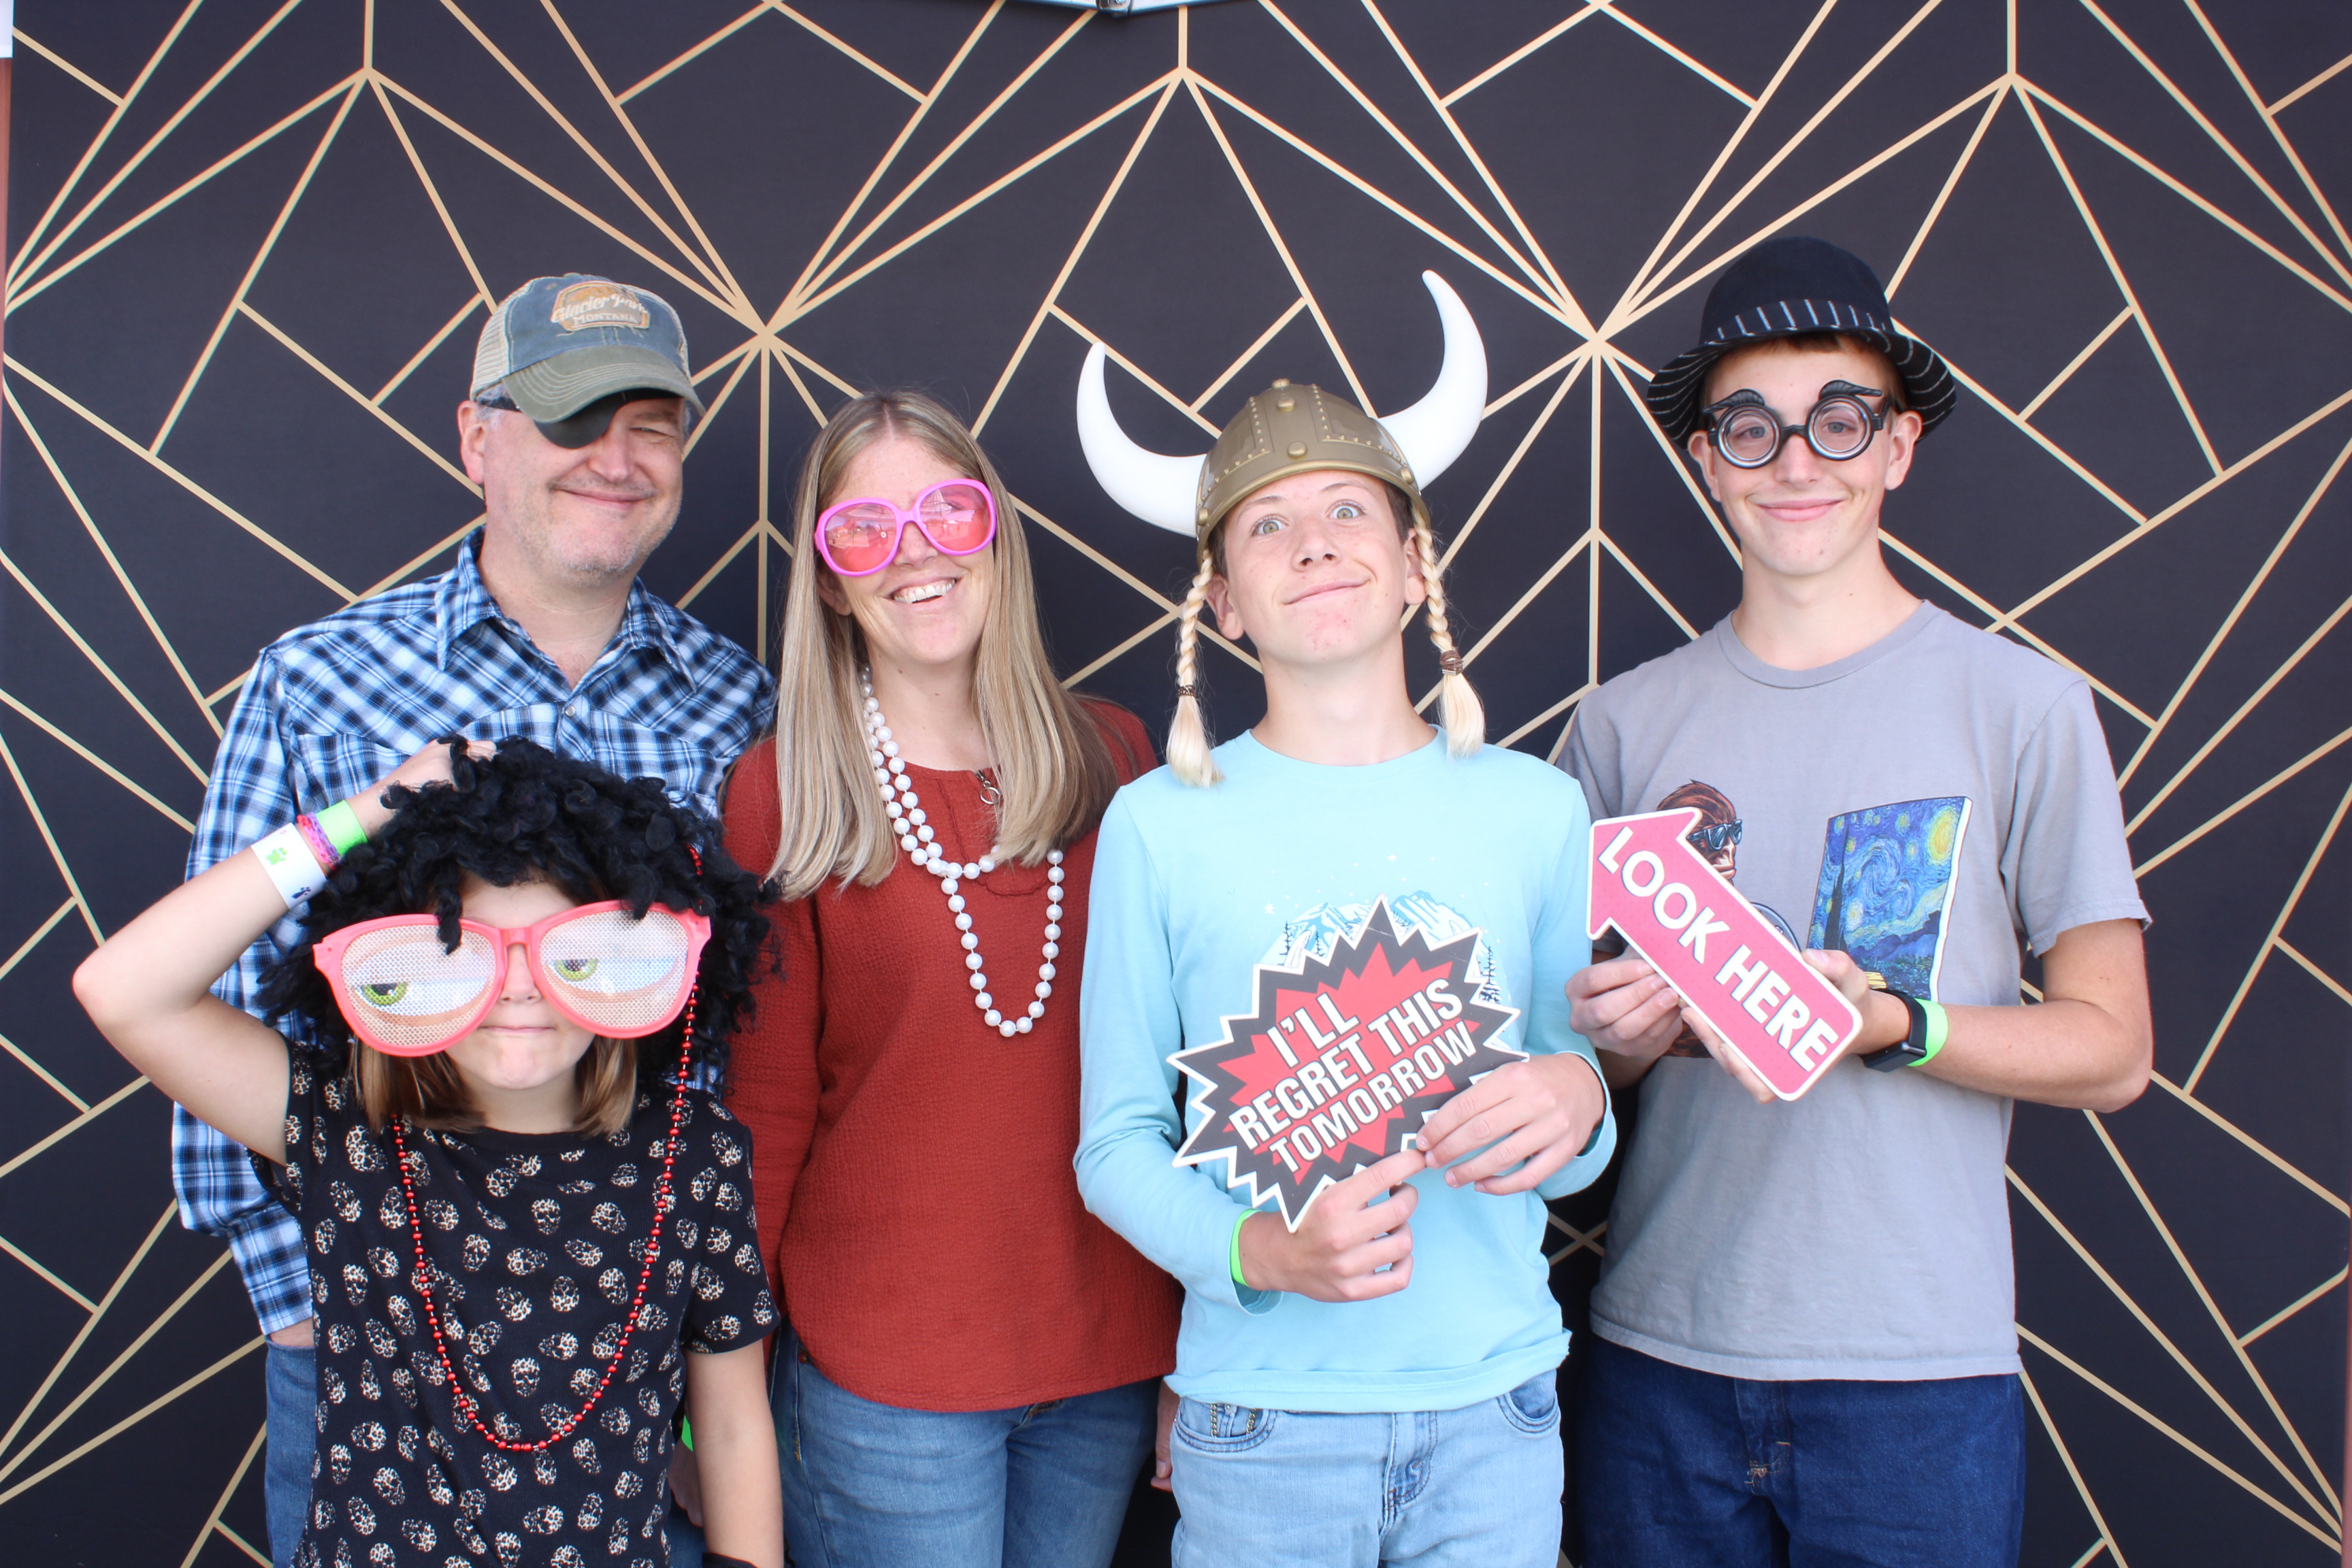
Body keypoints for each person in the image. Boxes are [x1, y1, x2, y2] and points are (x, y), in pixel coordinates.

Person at [1562, 235, 2153, 1567]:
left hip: (1918, 1382)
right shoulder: (1619, 726)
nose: (1796, 462)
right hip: (1658, 1361)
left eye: (1839, 418)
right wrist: (1617, 1046)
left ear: (1898, 445)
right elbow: (1568, 1065)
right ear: (1706, 458)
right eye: (1751, 426)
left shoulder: (2023, 706)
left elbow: (2114, 1050)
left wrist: (1895, 1024)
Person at [172, 272, 774, 1567]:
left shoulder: (741, 705)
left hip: (633, 1364)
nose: (615, 458)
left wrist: (683, 1347)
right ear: (476, 438)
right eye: (572, 418)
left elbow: (738, 1034)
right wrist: (308, 1309)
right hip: (373, 1360)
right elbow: (215, 1004)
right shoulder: (320, 683)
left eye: (651, 425)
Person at [1071, 316, 1616, 1565]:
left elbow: (1576, 1130)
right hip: (1265, 1417)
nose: (1313, 541)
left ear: (1415, 564)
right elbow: (1115, 1144)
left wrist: (1580, 1098)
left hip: (1496, 1410)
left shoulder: (1538, 808)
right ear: (1223, 601)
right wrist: (1261, 1249)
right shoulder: (1156, 825)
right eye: (1266, 524)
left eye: (1348, 510)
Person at [76, 739, 784, 1568]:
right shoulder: (347, 1129)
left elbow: (731, 1426)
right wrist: (367, 812)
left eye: (571, 950)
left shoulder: (692, 1154)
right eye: (460, 948)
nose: (518, 985)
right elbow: (123, 991)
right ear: (397, 962)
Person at [719, 390, 1177, 1568]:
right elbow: (764, 1113)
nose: (914, 550)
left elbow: (1186, 1072)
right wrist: (719, 1393)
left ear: (996, 535)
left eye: (948, 510)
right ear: (830, 582)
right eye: (864, 528)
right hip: (887, 1371)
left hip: (1105, 1349)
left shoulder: (1119, 755)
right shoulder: (785, 791)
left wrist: (1204, 1340)